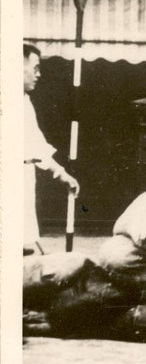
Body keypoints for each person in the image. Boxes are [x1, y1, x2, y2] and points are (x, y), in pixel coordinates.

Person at [23, 43, 79, 255]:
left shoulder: (25, 101)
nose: (38, 75)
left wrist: (63, 174)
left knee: (24, 243)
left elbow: (36, 144)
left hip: (25, 177)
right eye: (35, 68)